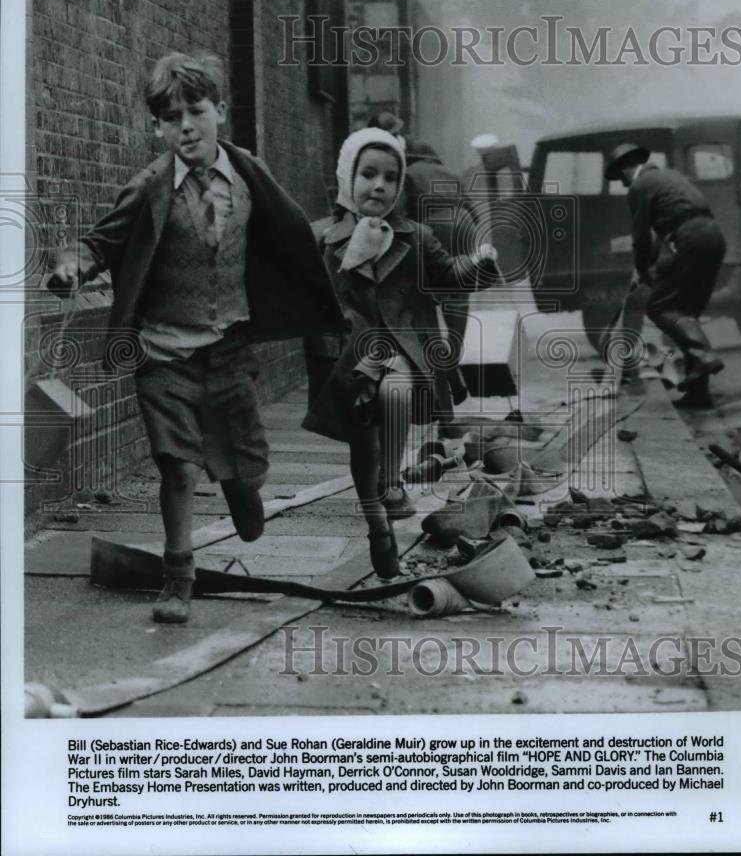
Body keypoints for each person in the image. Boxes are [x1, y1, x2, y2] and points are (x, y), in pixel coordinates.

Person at [47, 52, 343, 623]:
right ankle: (176, 579)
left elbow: (289, 236)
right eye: (171, 117)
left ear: (220, 113)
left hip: (229, 346)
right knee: (177, 466)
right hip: (161, 353)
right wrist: (69, 268)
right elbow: (96, 246)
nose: (186, 126)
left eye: (196, 111)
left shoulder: (250, 175)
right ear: (157, 127)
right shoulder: (148, 189)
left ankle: (239, 483)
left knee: (246, 467)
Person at [302, 128, 500, 579]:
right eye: (368, 174)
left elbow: (449, 277)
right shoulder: (323, 238)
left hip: (399, 351)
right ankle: (378, 527)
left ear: (400, 185)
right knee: (362, 447)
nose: (379, 186)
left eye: (390, 178)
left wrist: (480, 262)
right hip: (346, 359)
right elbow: (306, 298)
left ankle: (391, 484)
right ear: (346, 176)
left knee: (394, 392)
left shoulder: (416, 236)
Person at [604, 143, 727, 409]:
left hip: (690, 238)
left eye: (620, 178)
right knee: (686, 312)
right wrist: (648, 270)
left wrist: (640, 268)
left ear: (626, 169)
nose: (623, 184)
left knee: (661, 307)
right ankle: (699, 393)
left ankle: (704, 356)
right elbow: (660, 234)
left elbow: (641, 236)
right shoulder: (670, 177)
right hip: (713, 236)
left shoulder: (640, 186)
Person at [404, 140, 482, 429]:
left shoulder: (408, 173)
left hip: (430, 229)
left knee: (423, 302)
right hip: (463, 227)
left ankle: (440, 367)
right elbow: (473, 211)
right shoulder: (451, 174)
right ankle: (454, 354)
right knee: (457, 297)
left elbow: (403, 213)